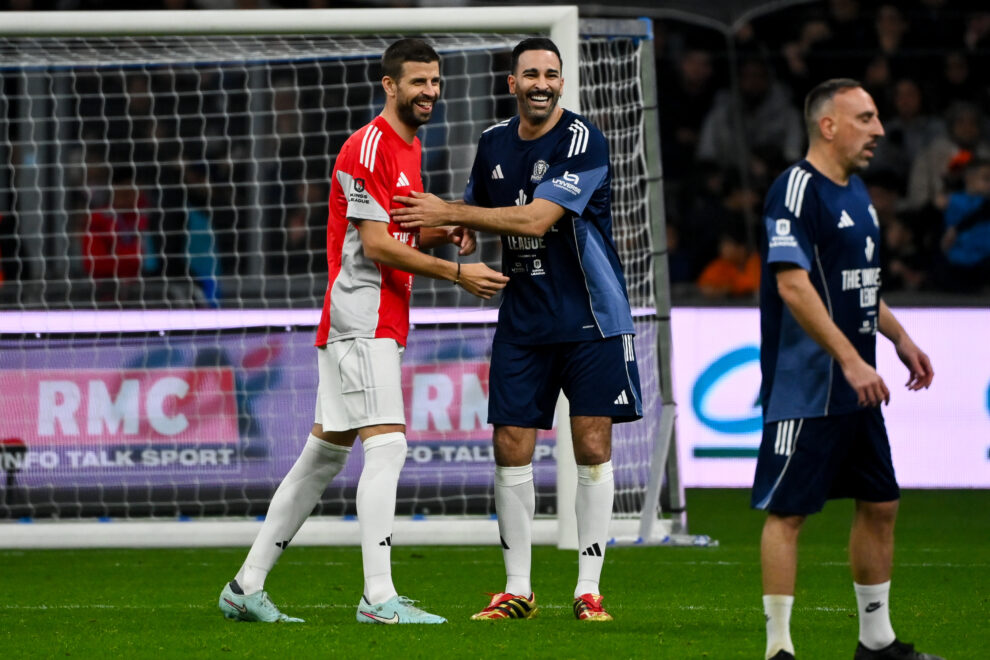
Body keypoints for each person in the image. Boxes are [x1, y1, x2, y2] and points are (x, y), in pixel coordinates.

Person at [218, 38, 507, 626]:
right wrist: (457, 273)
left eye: (435, 81)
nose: (430, 91)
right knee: (389, 447)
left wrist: (440, 231)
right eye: (418, 82)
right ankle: (378, 598)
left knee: (321, 457)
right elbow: (373, 246)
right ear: (390, 85)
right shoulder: (368, 145)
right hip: (361, 315)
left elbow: (394, 235)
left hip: (377, 317)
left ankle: (245, 586)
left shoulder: (409, 145)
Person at [392, 37, 643, 622]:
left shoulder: (582, 140)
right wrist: (462, 231)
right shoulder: (491, 143)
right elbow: (484, 210)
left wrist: (451, 212)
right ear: (512, 83)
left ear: (561, 82)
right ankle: (519, 589)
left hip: (592, 319)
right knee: (510, 448)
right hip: (523, 318)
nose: (541, 83)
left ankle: (588, 589)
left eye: (551, 75)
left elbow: (534, 217)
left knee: (592, 444)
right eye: (530, 73)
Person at [752, 78, 940, 660]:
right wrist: (852, 358)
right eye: (865, 118)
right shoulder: (795, 189)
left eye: (877, 118)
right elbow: (792, 285)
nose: (879, 131)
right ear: (827, 126)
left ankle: (876, 642)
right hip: (806, 387)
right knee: (789, 513)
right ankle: (778, 649)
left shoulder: (858, 193)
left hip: (856, 385)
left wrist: (900, 336)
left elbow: (860, 289)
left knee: (881, 502)